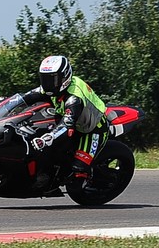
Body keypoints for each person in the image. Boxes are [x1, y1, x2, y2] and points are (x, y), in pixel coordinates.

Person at [25, 55, 108, 184]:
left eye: (52, 79)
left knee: (78, 170)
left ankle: (85, 178)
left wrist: (47, 138)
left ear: (65, 77)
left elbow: (66, 126)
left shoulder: (74, 99)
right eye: (45, 79)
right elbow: (25, 97)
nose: (48, 84)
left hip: (92, 129)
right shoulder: (49, 88)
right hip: (72, 121)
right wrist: (4, 103)